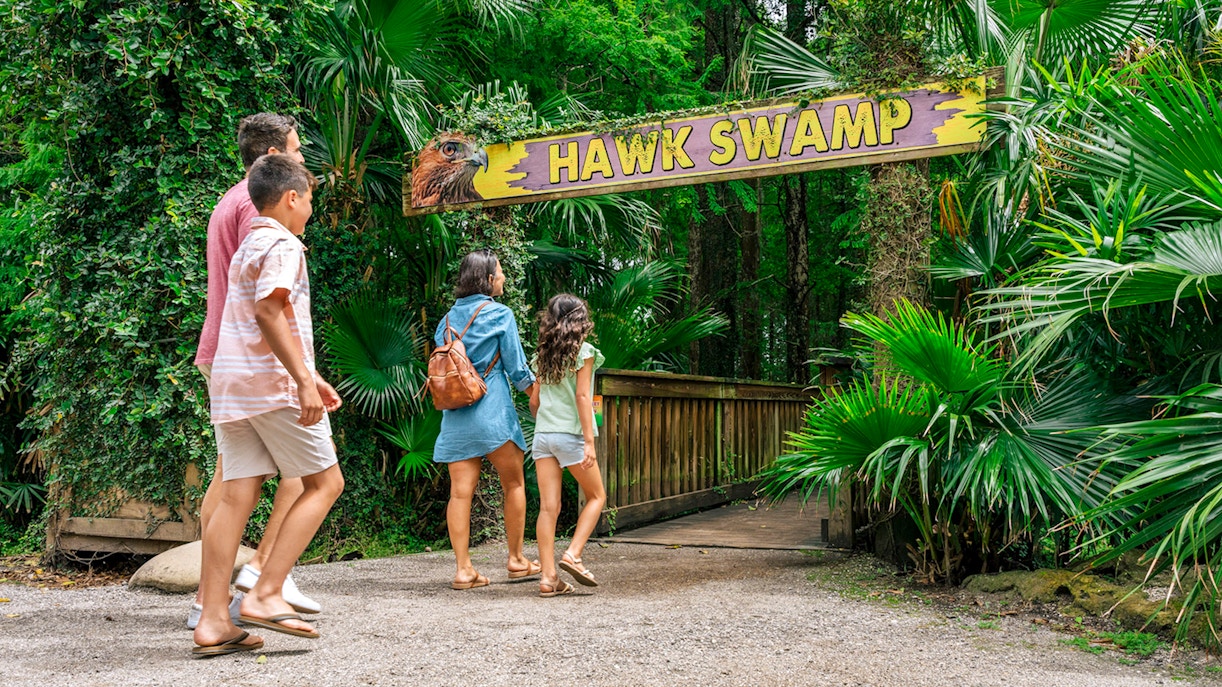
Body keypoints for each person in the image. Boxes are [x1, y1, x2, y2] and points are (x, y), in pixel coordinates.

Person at [192, 154, 345, 657]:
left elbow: (259, 318)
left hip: (233, 386)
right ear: (291, 198)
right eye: (309, 202)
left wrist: (311, 377)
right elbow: (268, 310)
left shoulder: (249, 243)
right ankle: (264, 590)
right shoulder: (283, 242)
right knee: (326, 482)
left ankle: (214, 620)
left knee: (236, 497)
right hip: (271, 387)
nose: (310, 213)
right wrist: (302, 381)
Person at [433, 249, 540, 590]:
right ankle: (516, 559)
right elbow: (517, 369)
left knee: (460, 495)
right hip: (493, 414)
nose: (505, 278)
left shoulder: (446, 321)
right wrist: (537, 397)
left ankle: (464, 569)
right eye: (501, 272)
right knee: (514, 484)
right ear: (488, 279)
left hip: (456, 416)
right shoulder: (500, 314)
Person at [527, 294, 607, 597]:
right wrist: (589, 441)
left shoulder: (541, 355)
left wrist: (544, 422)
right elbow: (583, 397)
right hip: (570, 436)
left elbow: (535, 400)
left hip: (543, 435)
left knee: (549, 508)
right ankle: (573, 554)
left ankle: (549, 578)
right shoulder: (584, 352)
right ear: (579, 320)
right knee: (597, 496)